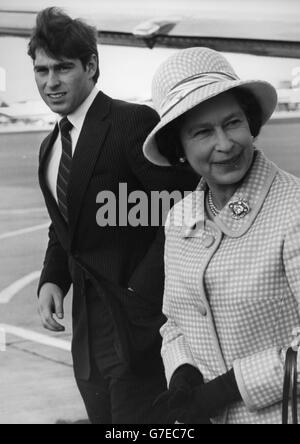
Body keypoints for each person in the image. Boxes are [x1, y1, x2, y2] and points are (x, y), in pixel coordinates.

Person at [28, 8, 198, 424]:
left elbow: (182, 209)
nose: (51, 82)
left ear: (91, 66)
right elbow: (66, 225)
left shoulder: (130, 122)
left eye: (64, 68)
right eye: (42, 69)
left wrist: (142, 294)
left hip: (140, 327)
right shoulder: (50, 147)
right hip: (88, 332)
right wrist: (53, 277)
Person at [143, 47, 300, 424]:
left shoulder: (293, 209)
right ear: (178, 147)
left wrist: (231, 387)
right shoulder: (180, 217)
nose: (225, 144)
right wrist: (182, 372)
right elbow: (176, 322)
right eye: (202, 132)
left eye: (233, 123)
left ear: (251, 124)